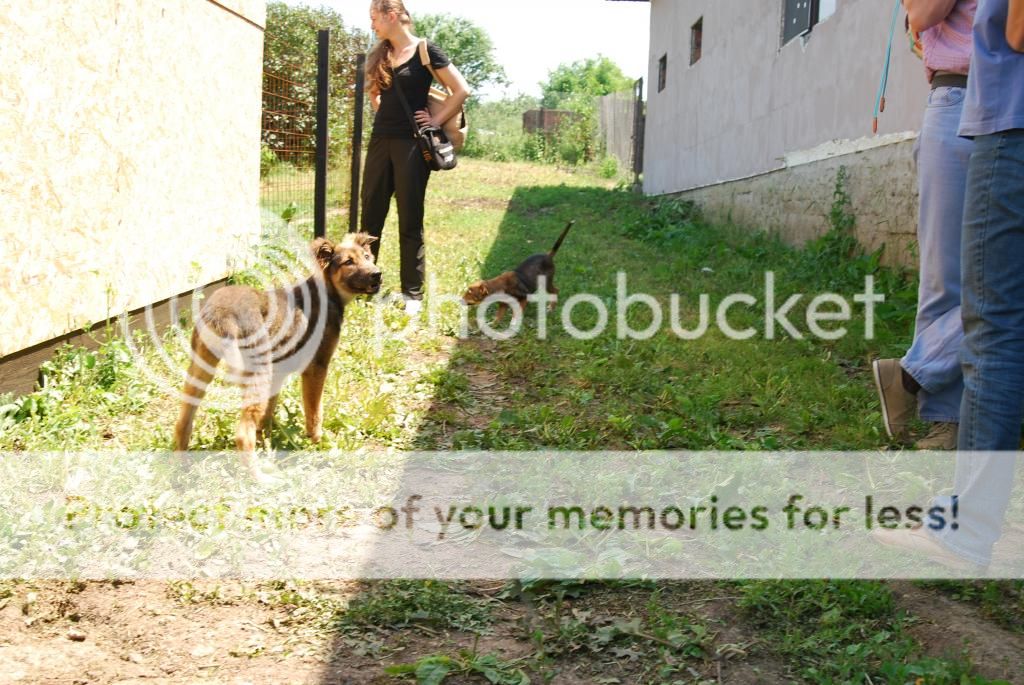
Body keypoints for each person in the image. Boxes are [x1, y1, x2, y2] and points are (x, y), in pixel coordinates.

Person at [874, 0, 1024, 570]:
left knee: (991, 314)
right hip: (975, 102)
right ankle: (934, 406)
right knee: (981, 302)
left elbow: (1008, 25)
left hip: (997, 113)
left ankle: (914, 377)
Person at [873, 0, 978, 451]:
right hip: (961, 101)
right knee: (945, 278)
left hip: (1006, 105)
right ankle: (946, 418)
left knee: (1002, 276)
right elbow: (923, 14)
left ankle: (911, 374)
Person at [360, 0, 470, 315]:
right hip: (381, 141)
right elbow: (374, 94)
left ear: (392, 16)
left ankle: (412, 294)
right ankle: (366, 285)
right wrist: (386, 114)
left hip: (412, 145)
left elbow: (461, 90)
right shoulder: (380, 54)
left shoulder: (425, 51)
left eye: (375, 18)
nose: (372, 25)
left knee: (410, 219)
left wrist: (435, 122)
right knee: (371, 217)